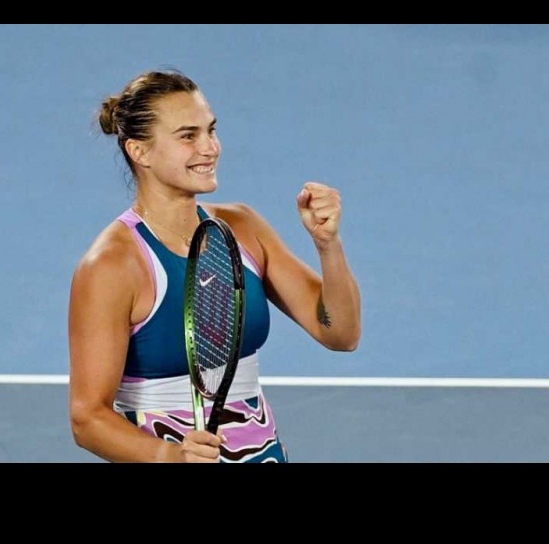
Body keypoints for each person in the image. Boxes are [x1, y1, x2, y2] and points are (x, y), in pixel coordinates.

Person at [68, 69, 361, 463]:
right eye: (188, 136)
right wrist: (172, 457)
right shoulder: (112, 266)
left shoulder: (244, 228)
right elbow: (88, 419)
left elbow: (341, 334)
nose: (210, 148)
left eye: (211, 130)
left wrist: (328, 246)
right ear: (140, 151)